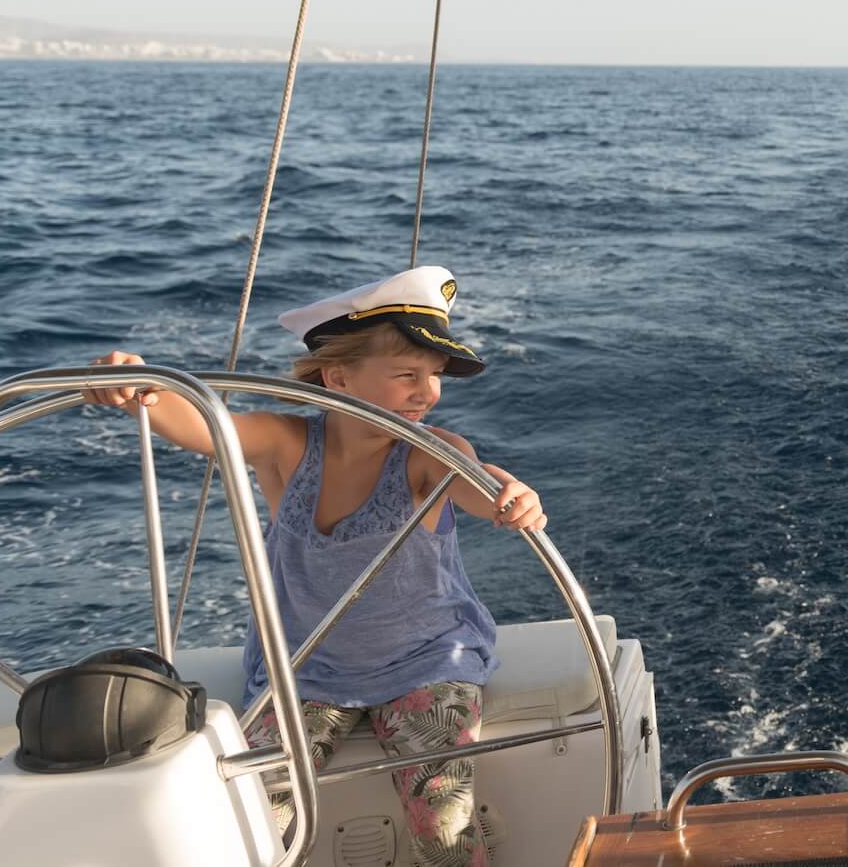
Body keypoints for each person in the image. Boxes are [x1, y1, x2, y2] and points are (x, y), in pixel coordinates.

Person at [85, 266, 543, 867]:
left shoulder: (433, 454)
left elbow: (481, 486)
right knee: (249, 822)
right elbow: (200, 425)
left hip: (426, 664)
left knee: (444, 824)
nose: (427, 392)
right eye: (407, 374)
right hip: (305, 672)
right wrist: (138, 386)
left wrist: (514, 497)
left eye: (434, 376)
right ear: (337, 377)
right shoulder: (285, 444)